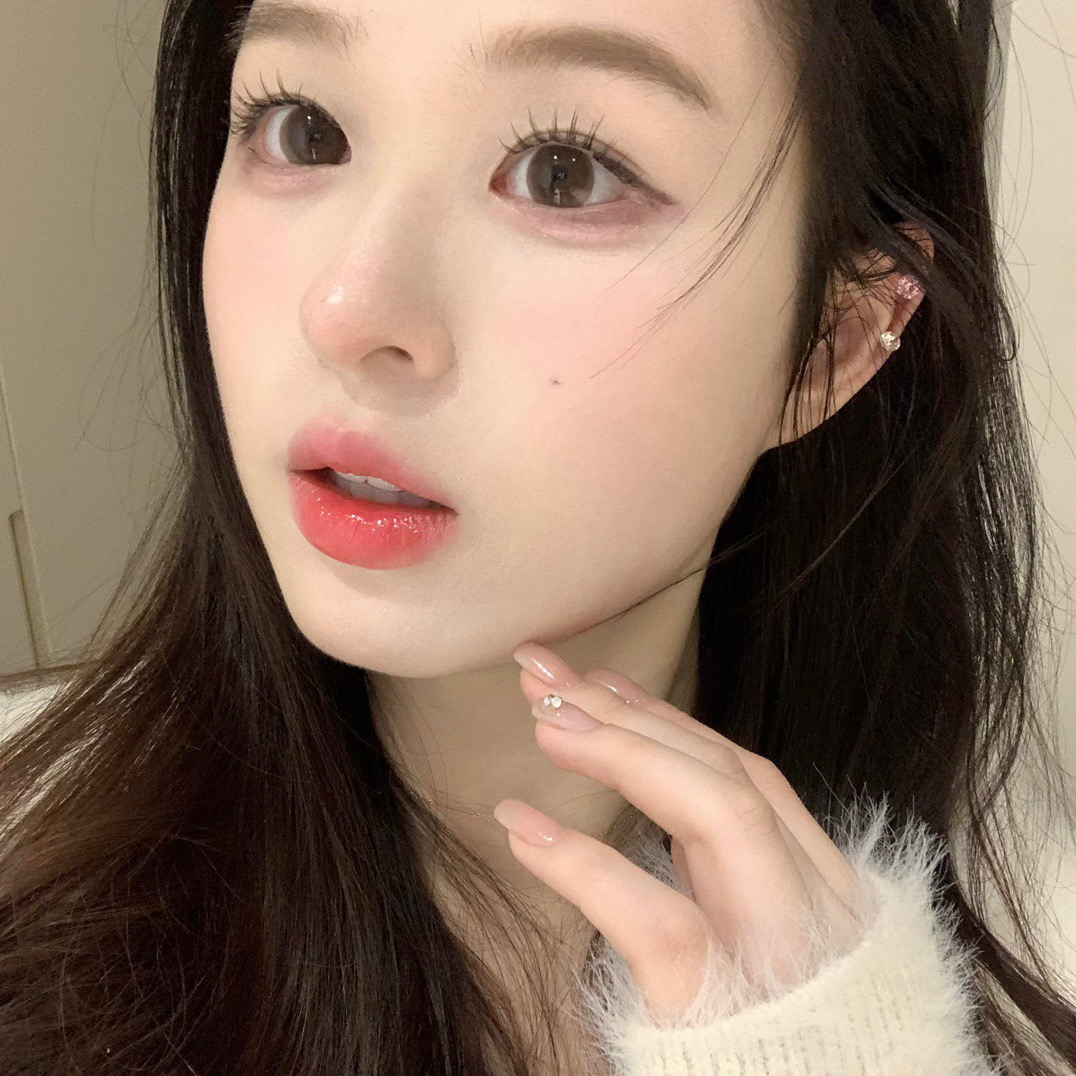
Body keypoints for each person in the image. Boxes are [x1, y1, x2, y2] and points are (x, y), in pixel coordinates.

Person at [1, 0, 1074, 1072]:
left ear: (834, 339)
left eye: (567, 171)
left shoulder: (1031, 970)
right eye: (302, 129)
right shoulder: (25, 873)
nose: (346, 309)